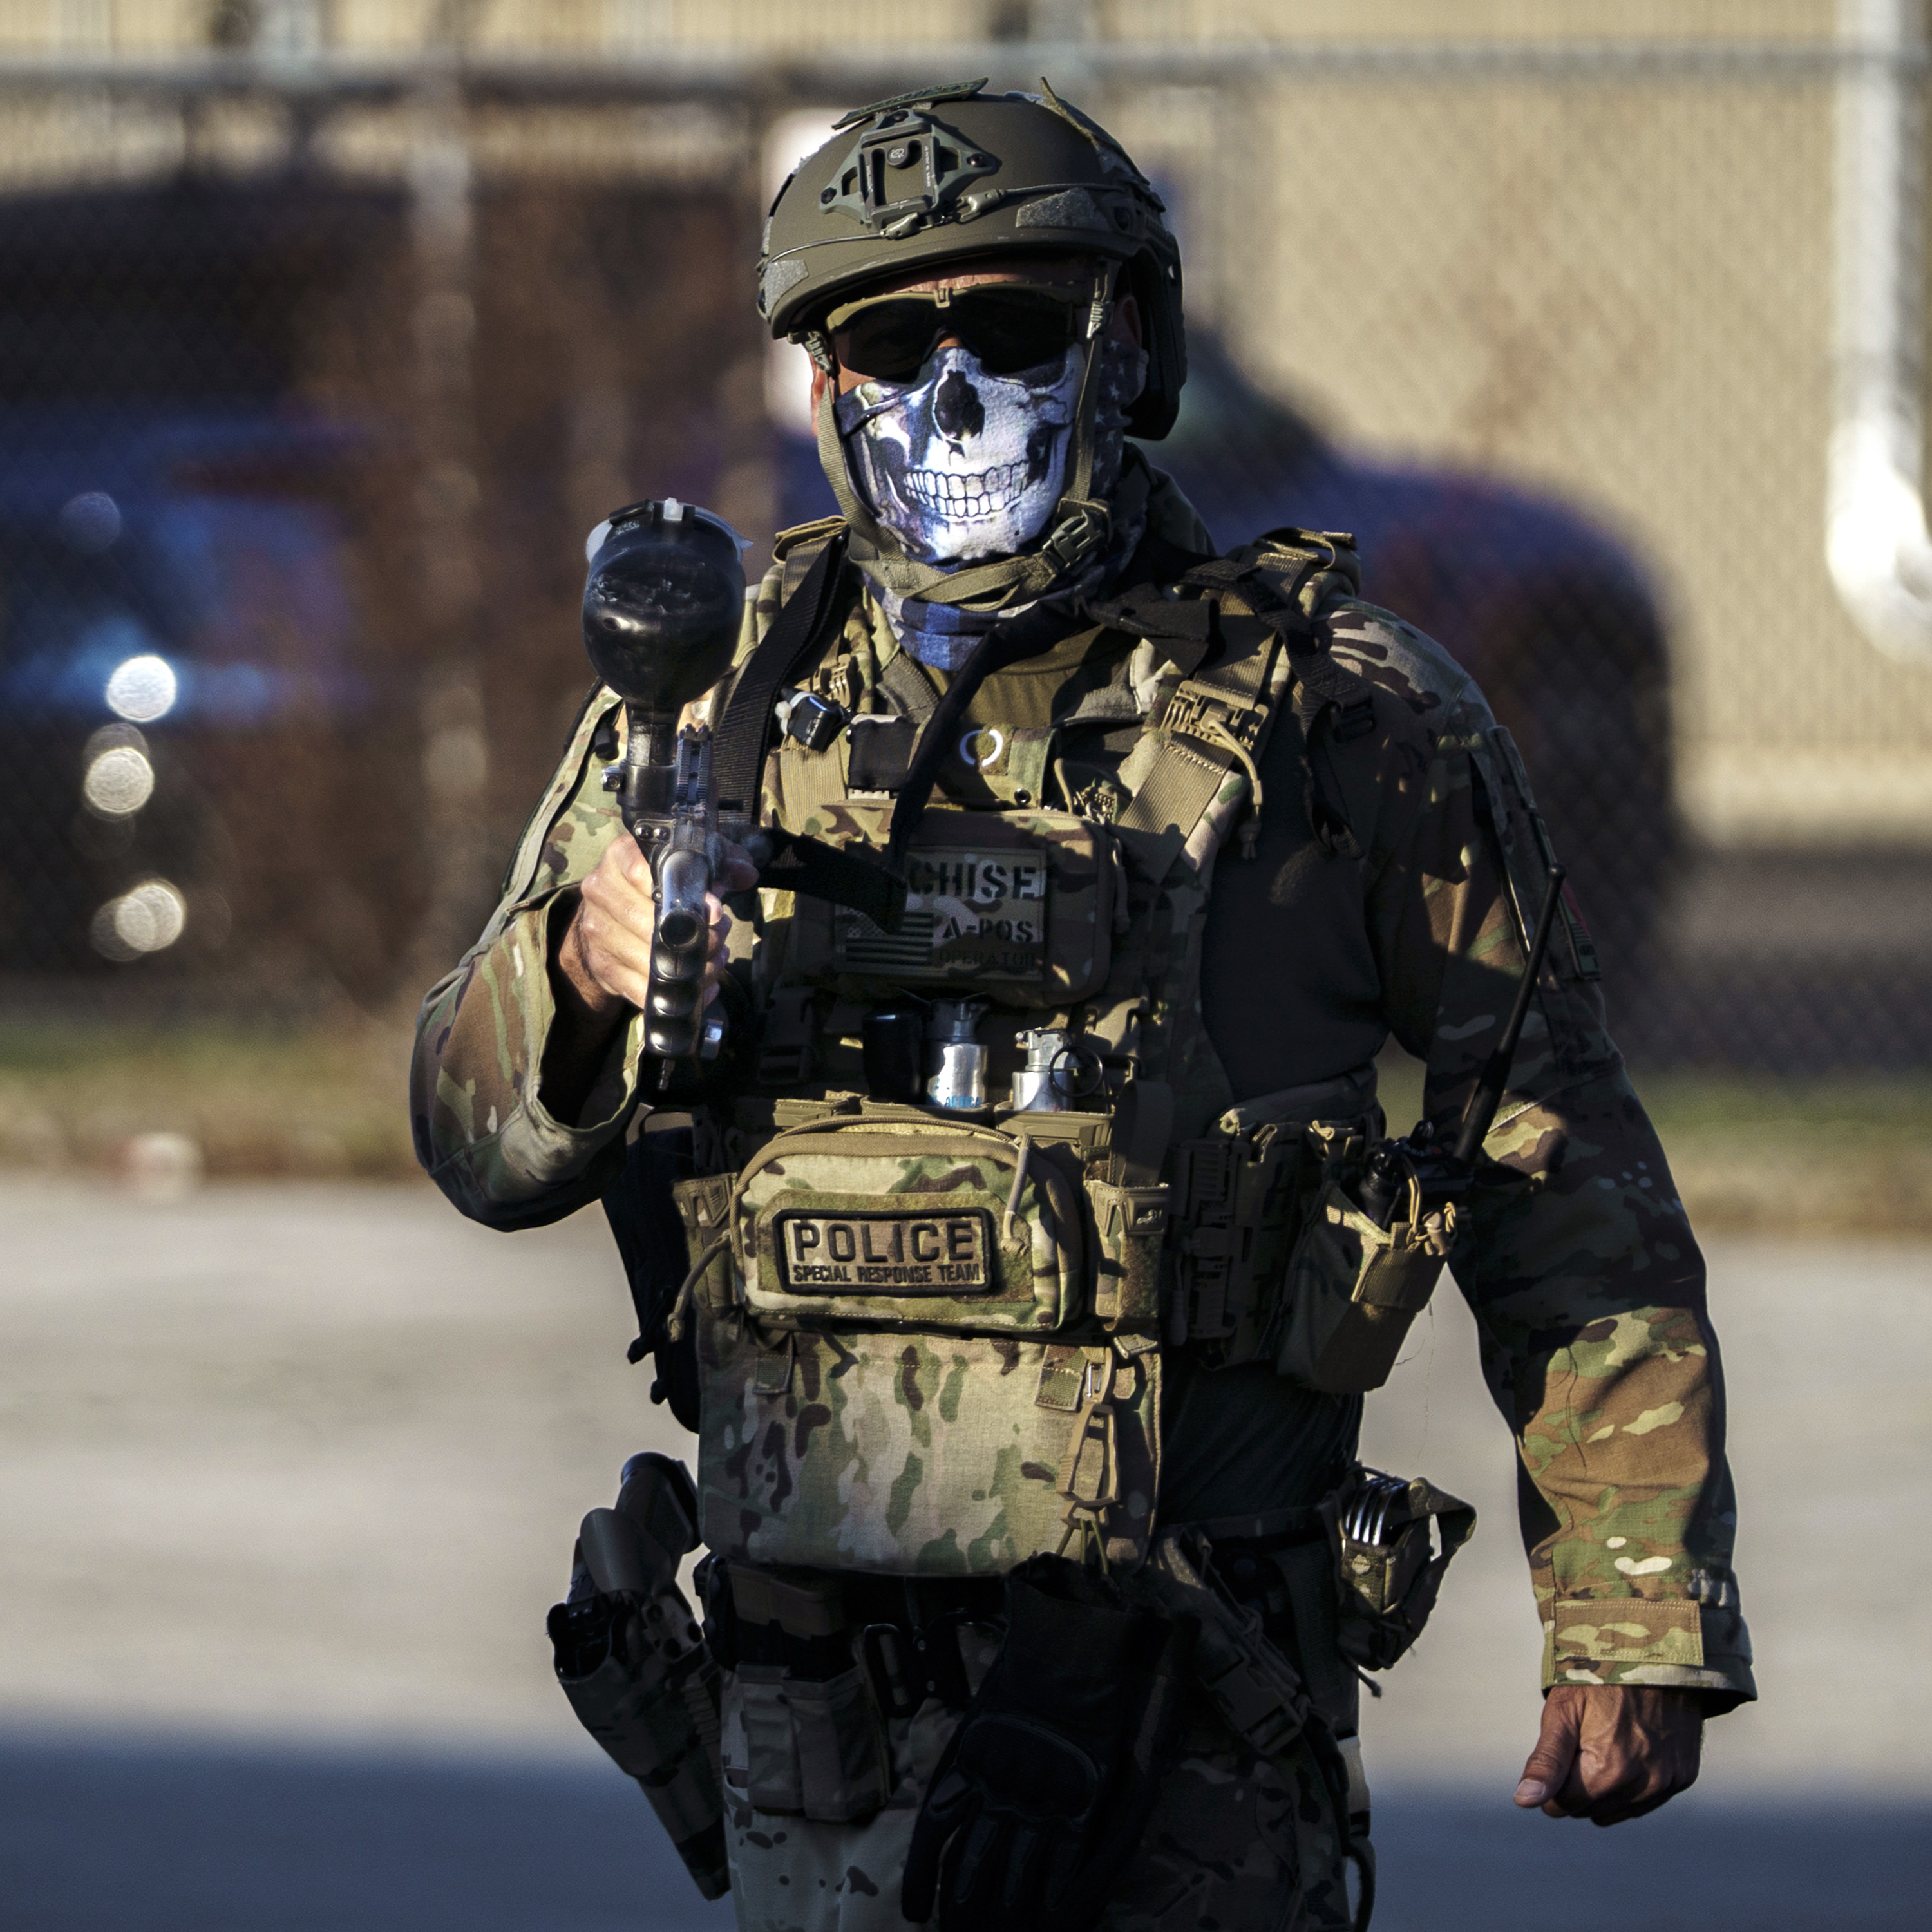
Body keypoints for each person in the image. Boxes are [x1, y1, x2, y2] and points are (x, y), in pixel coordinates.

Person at [412, 80, 1753, 1932]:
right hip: (813, 1719)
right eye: (890, 340)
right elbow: (475, 1143)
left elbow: (1555, 1158)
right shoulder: (714, 708)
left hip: (1191, 1703)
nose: (949, 392)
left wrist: (1634, 1596)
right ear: (825, 395)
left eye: (1015, 327)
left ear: (1135, 350)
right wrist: (576, 969)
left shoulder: (1354, 722)